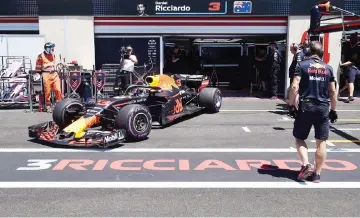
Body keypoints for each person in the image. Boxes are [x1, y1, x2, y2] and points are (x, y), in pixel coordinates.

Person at [288, 41, 338, 183]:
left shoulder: (302, 65)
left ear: (309, 51)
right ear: (321, 53)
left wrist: (291, 105)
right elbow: (333, 91)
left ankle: (305, 164)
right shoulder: (328, 68)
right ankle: (317, 174)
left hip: (306, 106)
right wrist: (333, 110)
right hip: (323, 108)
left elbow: (294, 86)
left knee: (299, 137)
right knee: (321, 142)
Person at [35, 42, 63, 112]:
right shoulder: (40, 56)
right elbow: (38, 68)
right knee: (47, 92)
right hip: (46, 74)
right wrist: (38, 75)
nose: (53, 49)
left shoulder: (53, 55)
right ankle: (48, 106)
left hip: (54, 74)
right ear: (47, 48)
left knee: (58, 90)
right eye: (51, 48)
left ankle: (59, 105)